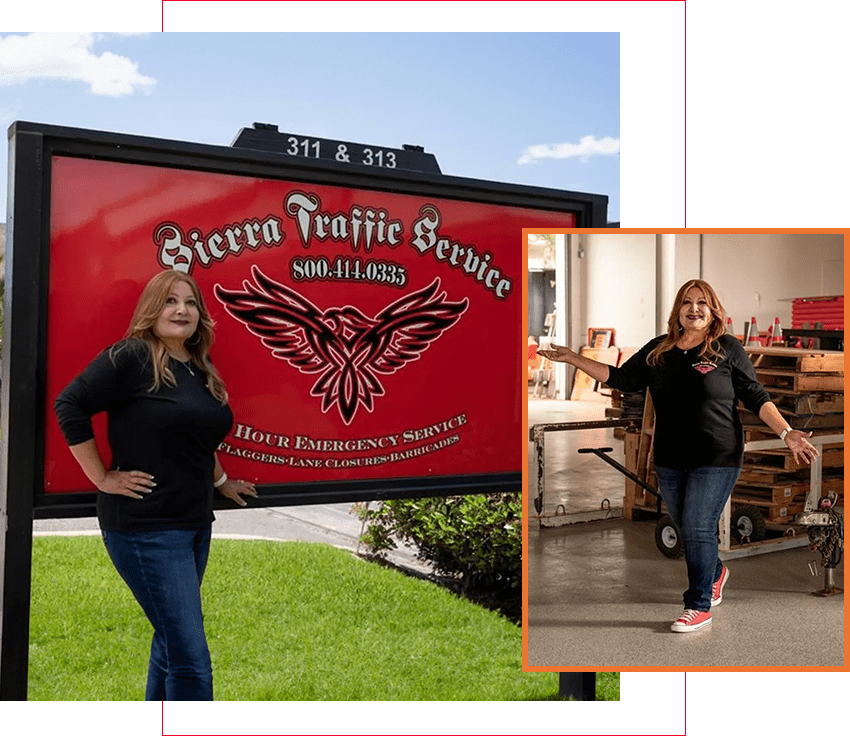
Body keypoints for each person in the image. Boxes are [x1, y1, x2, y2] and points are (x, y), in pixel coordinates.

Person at [539, 279, 819, 633]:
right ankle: (716, 572)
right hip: (670, 458)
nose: (694, 308)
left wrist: (786, 432)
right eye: (687, 302)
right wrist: (572, 358)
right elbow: (622, 378)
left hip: (717, 456)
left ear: (713, 309)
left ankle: (698, 605)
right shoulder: (660, 351)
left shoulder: (726, 348)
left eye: (702, 302)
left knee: (699, 526)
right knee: (688, 527)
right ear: (678, 310)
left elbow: (757, 397)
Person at [54, 270, 258, 699]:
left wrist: (221, 481)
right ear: (151, 309)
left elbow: (197, 437)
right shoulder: (130, 357)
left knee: (170, 646)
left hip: (194, 524)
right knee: (191, 664)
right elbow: (69, 404)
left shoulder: (198, 367)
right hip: (145, 530)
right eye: (170, 301)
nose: (181, 310)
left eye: (190, 302)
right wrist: (101, 477)